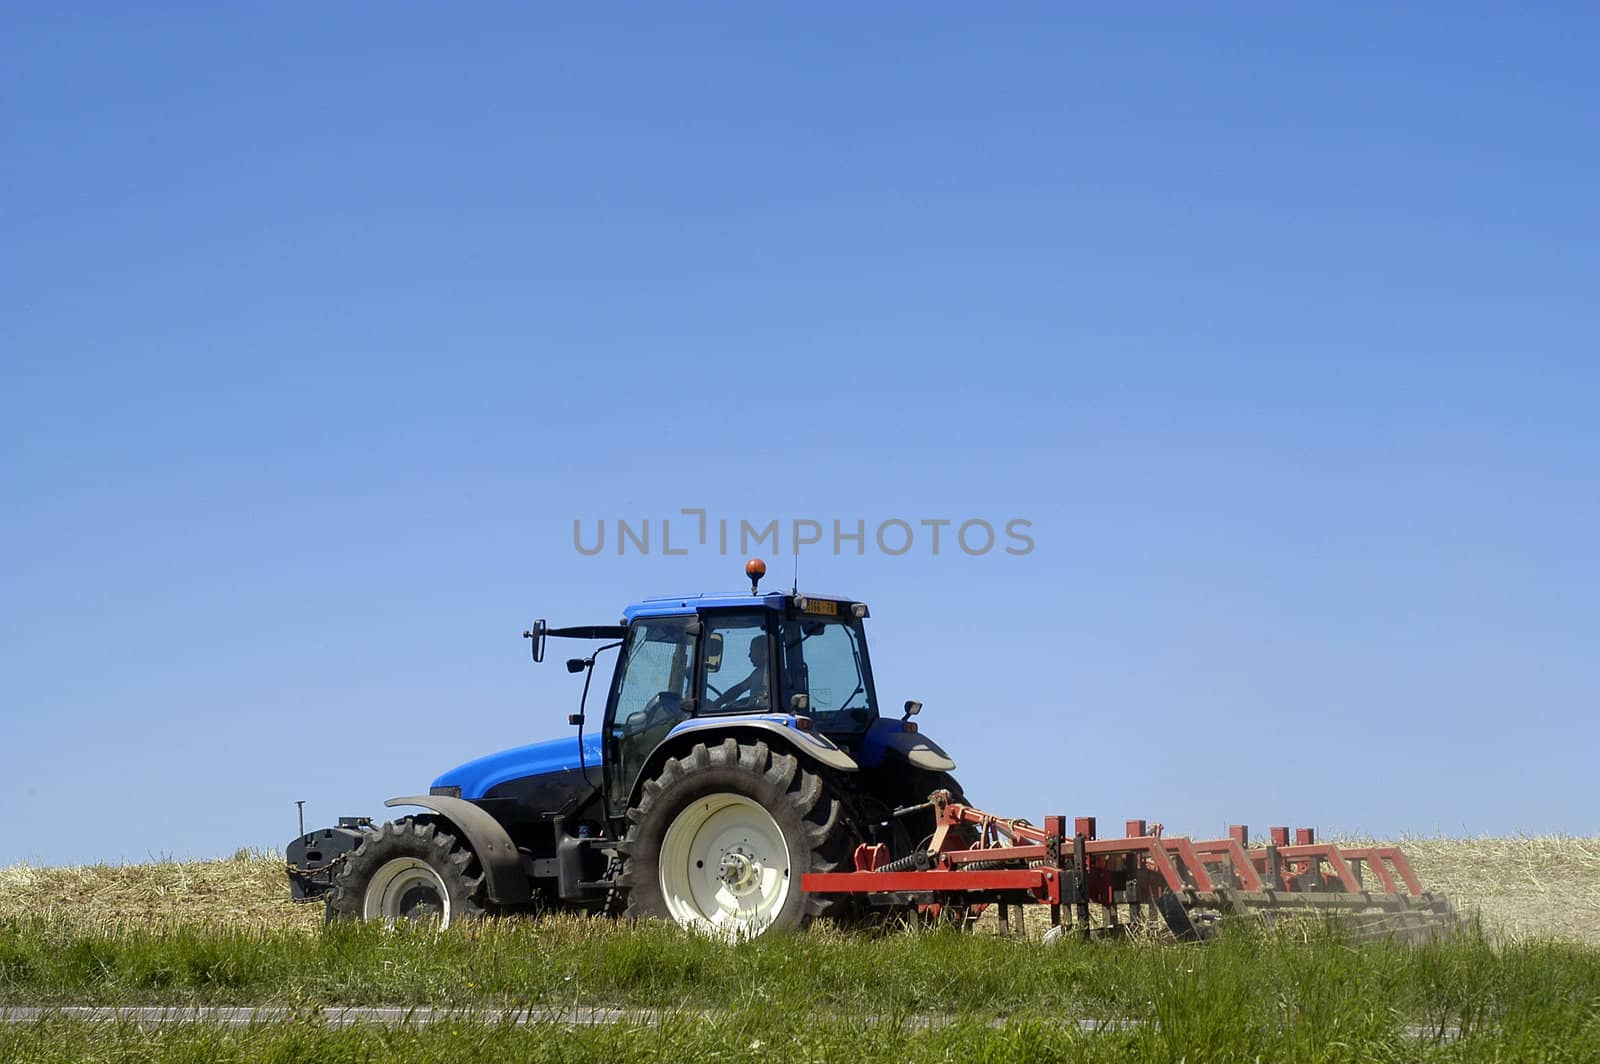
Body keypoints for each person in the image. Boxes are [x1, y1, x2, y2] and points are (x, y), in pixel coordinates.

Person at [713, 633, 769, 710]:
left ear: (764, 652)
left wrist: (717, 703)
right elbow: (738, 689)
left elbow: (739, 689)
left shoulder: (766, 674)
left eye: (752, 651)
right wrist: (718, 702)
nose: (749, 655)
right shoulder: (758, 673)